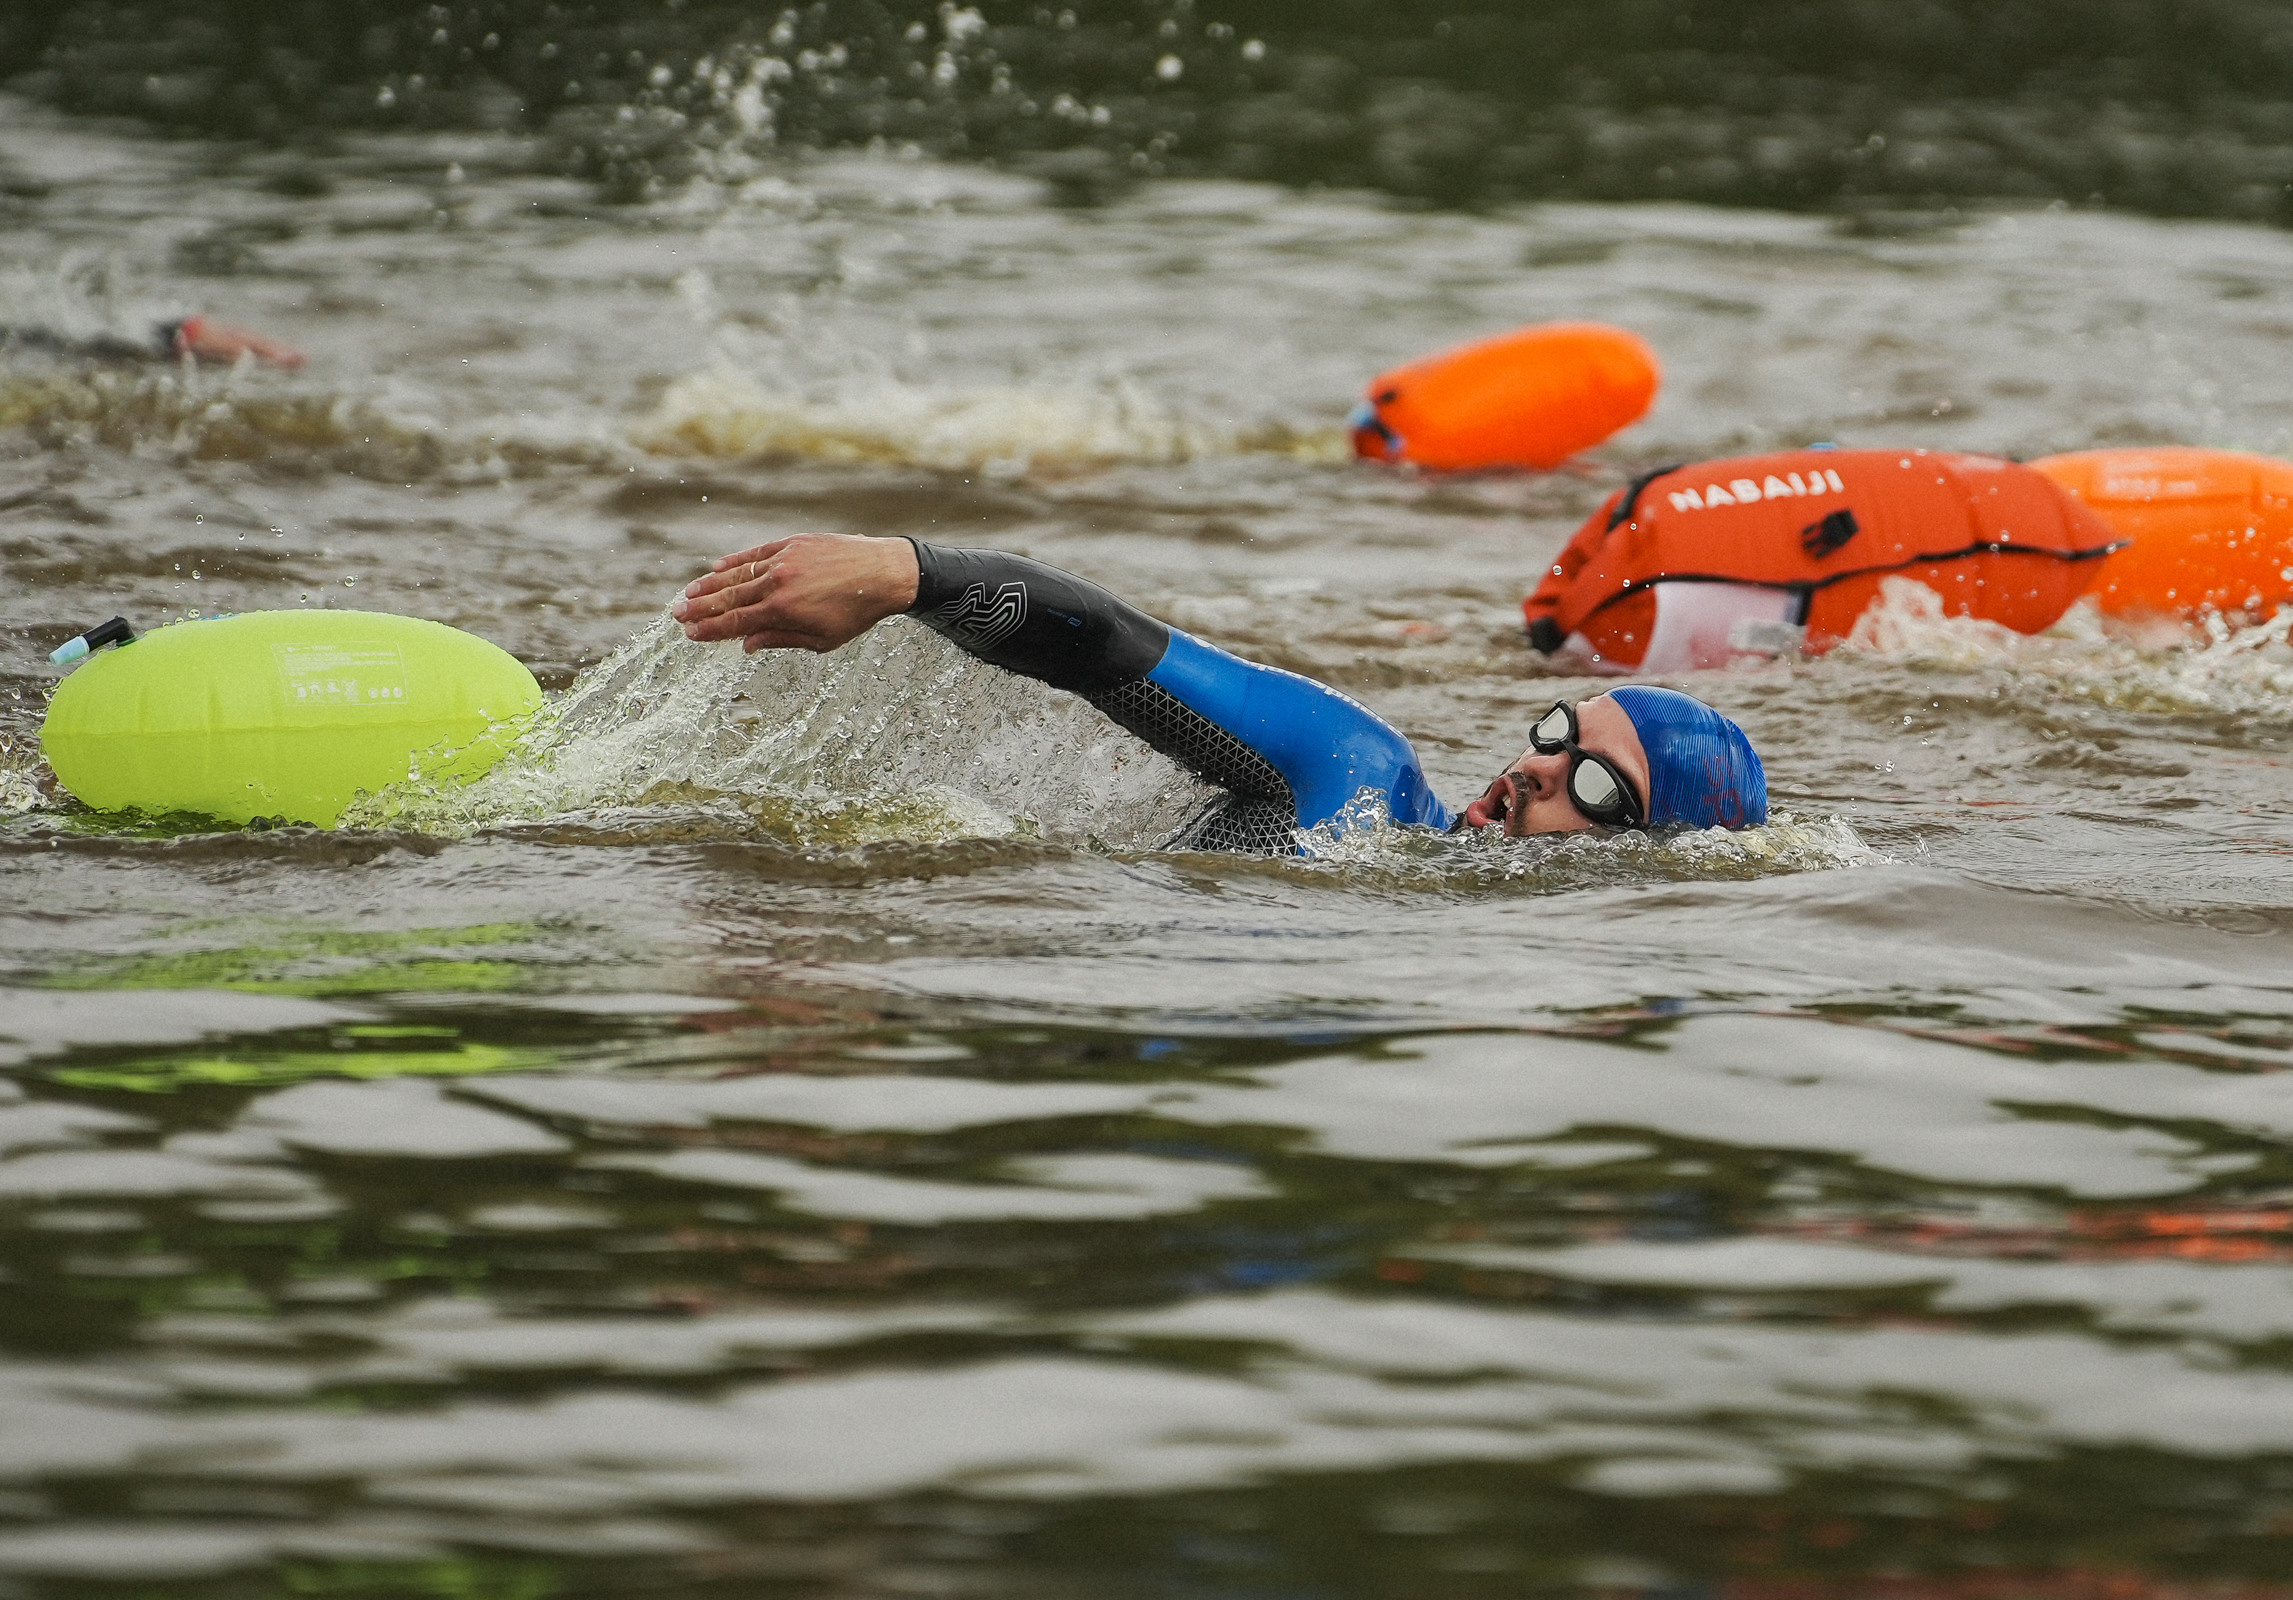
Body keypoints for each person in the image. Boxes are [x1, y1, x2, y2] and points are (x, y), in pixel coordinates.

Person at [673, 532, 1767, 852]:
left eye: (1593, 782)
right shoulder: (1353, 775)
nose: (1534, 766)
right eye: (1556, 731)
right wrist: (900, 572)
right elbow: (1111, 643)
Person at [0, 315, 304, 368]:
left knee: (58, 340)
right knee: (65, 343)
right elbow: (197, 332)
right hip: (169, 338)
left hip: (173, 332)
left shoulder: (262, 348)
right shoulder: (249, 351)